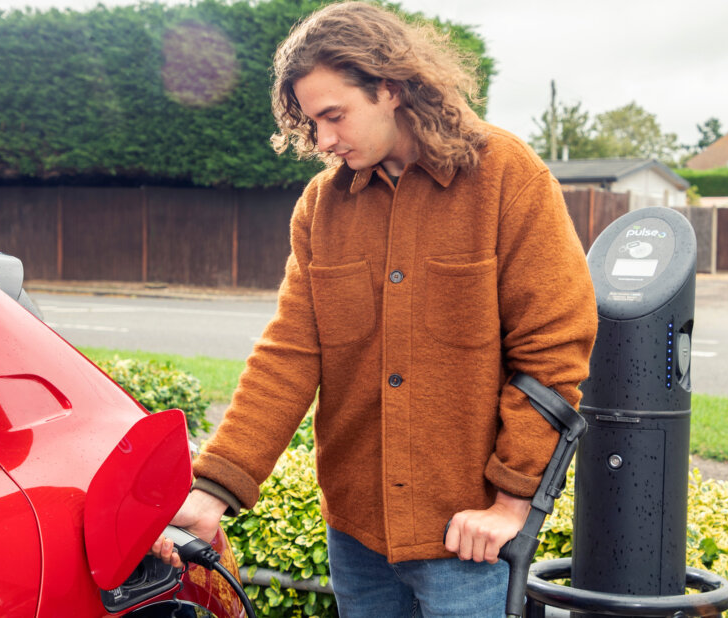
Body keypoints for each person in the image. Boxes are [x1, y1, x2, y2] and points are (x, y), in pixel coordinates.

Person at [153, 2, 596, 615]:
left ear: (390, 88)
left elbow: (554, 349)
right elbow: (289, 354)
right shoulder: (321, 207)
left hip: (467, 542)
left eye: (335, 116)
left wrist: (511, 503)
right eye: (312, 124)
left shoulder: (507, 176)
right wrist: (212, 491)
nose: (324, 140)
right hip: (357, 537)